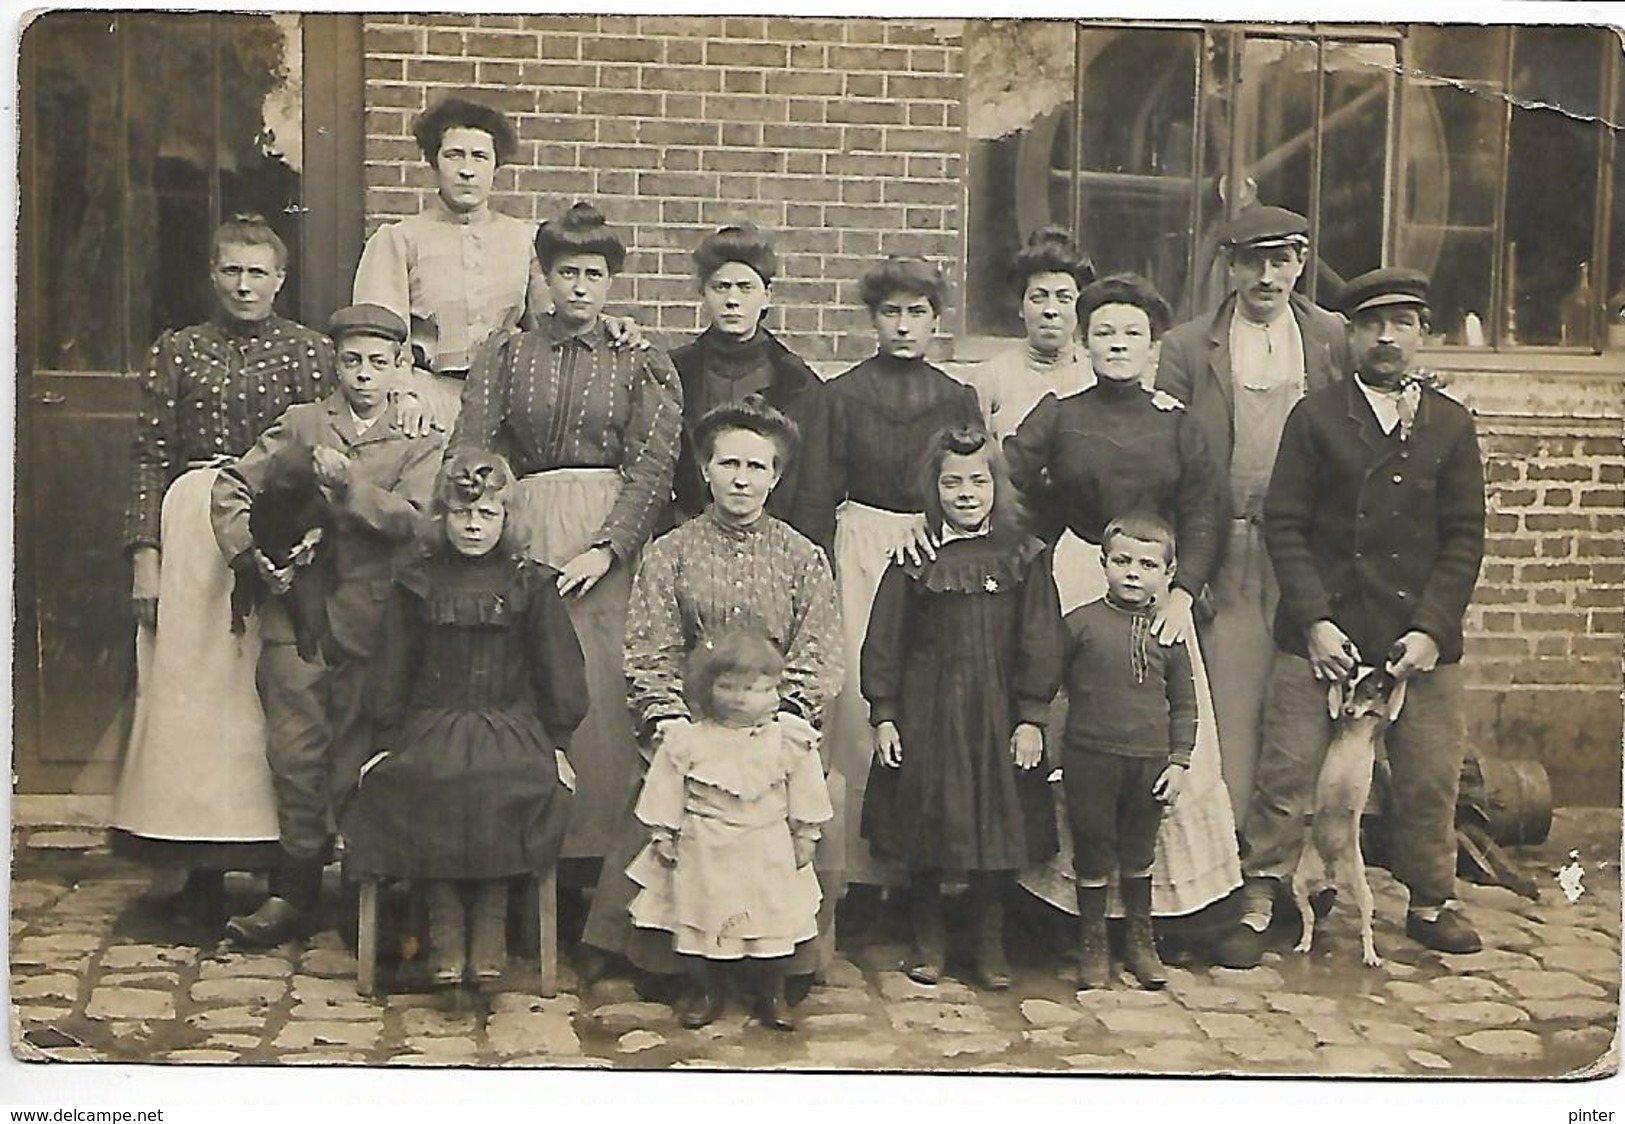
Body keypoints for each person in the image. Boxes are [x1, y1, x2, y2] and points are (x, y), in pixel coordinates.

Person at [1214, 267, 1486, 968]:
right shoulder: (1316, 418)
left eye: (1401, 324)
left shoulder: (1450, 426)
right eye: (1371, 325)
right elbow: (1285, 525)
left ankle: (1430, 898)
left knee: (1430, 774)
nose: (1386, 338)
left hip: (1414, 637)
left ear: (1422, 335)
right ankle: (1262, 893)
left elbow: (1463, 536)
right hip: (1324, 631)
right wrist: (1313, 623)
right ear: (1350, 337)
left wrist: (1430, 630)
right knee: (1286, 768)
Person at [112, 214, 339, 923]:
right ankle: (196, 861)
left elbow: (333, 437)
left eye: (258, 272)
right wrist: (144, 557)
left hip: (276, 524)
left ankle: (275, 857)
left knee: (267, 690)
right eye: (231, 271)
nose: (244, 285)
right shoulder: (177, 352)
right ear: (213, 275)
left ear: (280, 280)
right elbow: (150, 455)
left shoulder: (311, 354)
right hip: (192, 530)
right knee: (194, 693)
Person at [1004, 273, 1240, 955]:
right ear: (1084, 340)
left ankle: (1164, 915)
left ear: (1152, 345)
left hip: (1156, 582)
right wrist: (1031, 547)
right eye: (1102, 331)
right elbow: (1005, 476)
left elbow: (1203, 510)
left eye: (1130, 333)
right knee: (1077, 734)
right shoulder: (1060, 411)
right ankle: (1063, 914)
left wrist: (1183, 588)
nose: (1116, 344)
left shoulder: (1177, 423)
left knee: (1162, 732)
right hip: (1080, 573)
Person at [580, 398, 843, 997]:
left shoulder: (803, 557)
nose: (742, 479)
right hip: (692, 725)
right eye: (729, 464)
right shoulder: (669, 553)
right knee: (666, 794)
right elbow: (650, 648)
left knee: (781, 804)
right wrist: (675, 725)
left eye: (757, 467)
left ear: (775, 476)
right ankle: (665, 956)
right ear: (706, 470)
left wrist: (780, 729)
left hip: (772, 727)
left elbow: (820, 650)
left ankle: (779, 963)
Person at [451, 201, 682, 868]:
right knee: (521, 675)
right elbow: (472, 446)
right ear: (544, 278)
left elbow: (651, 466)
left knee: (603, 686)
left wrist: (608, 548)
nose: (579, 287)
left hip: (605, 534)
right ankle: (523, 855)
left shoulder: (639, 361)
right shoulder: (506, 353)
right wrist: (489, 527)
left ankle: (600, 860)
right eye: (566, 272)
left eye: (594, 274)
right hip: (523, 521)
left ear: (612, 282)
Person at [208, 304, 444, 946]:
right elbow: (233, 484)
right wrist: (250, 555)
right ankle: (295, 892)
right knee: (295, 753)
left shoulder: (419, 438)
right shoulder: (303, 424)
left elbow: (416, 522)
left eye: (377, 362)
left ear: (399, 367)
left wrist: (351, 487)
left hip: (378, 621)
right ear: (333, 363)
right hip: (299, 616)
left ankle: (369, 892)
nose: (363, 375)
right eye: (351, 361)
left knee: (363, 754)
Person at [340, 452, 588, 987]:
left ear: (508, 519)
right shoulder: (417, 581)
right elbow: (392, 666)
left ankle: (491, 929)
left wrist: (559, 744)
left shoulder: (532, 584)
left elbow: (558, 672)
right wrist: (384, 738)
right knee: (431, 780)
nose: (473, 526)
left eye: (487, 515)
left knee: (501, 783)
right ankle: (445, 928)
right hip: (431, 724)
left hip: (512, 726)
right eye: (461, 514)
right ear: (442, 517)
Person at [1155, 206, 1350, 822]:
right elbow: (1170, 464)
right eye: (1251, 263)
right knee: (1231, 701)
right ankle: (1231, 846)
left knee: (1302, 697)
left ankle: (1294, 858)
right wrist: (1188, 570)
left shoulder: (1332, 338)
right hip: (1225, 546)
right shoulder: (1188, 347)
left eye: (1280, 262)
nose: (1266, 278)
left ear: (1299, 265)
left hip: (1305, 551)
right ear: (1230, 268)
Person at [860, 426, 1064, 990]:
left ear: (997, 485)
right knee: (927, 824)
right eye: (952, 482)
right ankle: (929, 941)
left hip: (997, 714)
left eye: (978, 481)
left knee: (996, 830)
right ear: (935, 487)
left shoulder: (1023, 556)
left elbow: (1041, 638)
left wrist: (1031, 715)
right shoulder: (914, 556)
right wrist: (884, 713)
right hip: (928, 714)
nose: (966, 493)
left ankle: (989, 946)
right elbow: (885, 640)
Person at [820, 257, 983, 887]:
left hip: (931, 543)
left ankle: (925, 859)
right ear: (873, 320)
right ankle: (858, 868)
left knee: (928, 687)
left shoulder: (955, 397)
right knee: (862, 689)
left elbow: (972, 478)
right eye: (892, 312)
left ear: (935, 321)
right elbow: (820, 487)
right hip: (860, 541)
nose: (904, 325)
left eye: (917, 313)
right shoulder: (842, 394)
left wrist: (948, 533)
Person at [627, 630, 834, 1032]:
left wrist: (806, 832)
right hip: (706, 847)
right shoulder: (687, 740)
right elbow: (666, 789)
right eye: (729, 687)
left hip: (766, 845)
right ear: (707, 687)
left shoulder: (788, 739)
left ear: (775, 691)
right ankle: (708, 991)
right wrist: (663, 834)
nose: (741, 698)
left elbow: (807, 789)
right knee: (705, 921)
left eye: (755, 689)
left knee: (773, 920)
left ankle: (770, 992)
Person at [1061, 513, 1197, 990]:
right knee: (1094, 849)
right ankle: (1093, 942)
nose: (1133, 572)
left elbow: (1184, 703)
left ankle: (1141, 942)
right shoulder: (1079, 625)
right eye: (1121, 560)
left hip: (1149, 764)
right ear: (1103, 562)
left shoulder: (1170, 633)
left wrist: (1179, 761)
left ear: (1169, 572)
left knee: (1139, 851)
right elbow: (1051, 691)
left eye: (1146, 563)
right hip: (1089, 758)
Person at [352, 97, 547, 427]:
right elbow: (376, 339)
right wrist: (404, 396)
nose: (467, 170)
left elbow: (551, 329)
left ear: (495, 166)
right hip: (426, 397)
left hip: (509, 401)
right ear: (434, 162)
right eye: (454, 155)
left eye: (480, 157)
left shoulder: (525, 240)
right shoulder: (399, 239)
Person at [669, 224, 833, 550]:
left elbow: (815, 490)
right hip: (688, 542)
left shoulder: (798, 382)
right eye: (720, 287)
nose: (732, 300)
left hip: (774, 548)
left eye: (745, 288)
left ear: (766, 296)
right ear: (703, 292)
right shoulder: (674, 373)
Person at [966, 226, 1097, 441]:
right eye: (1038, 298)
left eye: (1064, 298)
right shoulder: (990, 380)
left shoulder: (1095, 376)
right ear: (1020, 306)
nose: (1050, 310)